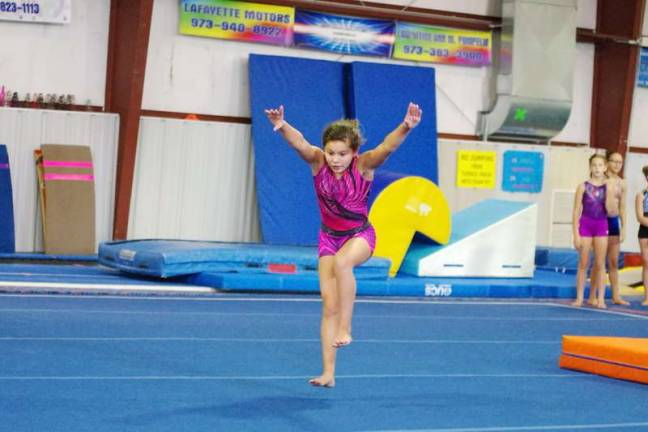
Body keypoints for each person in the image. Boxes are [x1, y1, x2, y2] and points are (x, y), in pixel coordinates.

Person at [264, 103, 422, 387]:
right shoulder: (317, 163)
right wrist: (281, 125)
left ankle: (347, 327)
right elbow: (300, 143)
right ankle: (328, 373)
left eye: (342, 154)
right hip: (328, 237)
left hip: (360, 235)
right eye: (331, 153)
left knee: (343, 263)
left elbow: (387, 147)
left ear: (354, 153)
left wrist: (406, 126)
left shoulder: (364, 166)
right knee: (328, 305)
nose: (335, 159)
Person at [588, 151, 629, 306]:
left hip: (613, 221)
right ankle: (593, 295)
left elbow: (623, 207)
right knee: (598, 261)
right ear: (607, 163)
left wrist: (624, 227)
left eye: (620, 162)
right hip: (599, 220)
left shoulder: (622, 183)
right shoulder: (600, 180)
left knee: (612, 261)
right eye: (614, 161)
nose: (617, 165)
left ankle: (616, 296)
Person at [572, 154, 609, 308]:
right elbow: (575, 211)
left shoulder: (609, 186)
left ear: (605, 167)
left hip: (601, 224)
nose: (597, 168)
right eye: (594, 165)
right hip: (585, 224)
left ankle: (600, 298)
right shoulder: (582, 186)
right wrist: (576, 234)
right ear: (590, 167)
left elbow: (613, 209)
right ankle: (580, 298)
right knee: (583, 263)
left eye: (600, 165)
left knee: (600, 263)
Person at [635, 165, 648, 307]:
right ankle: (647, 296)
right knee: (647, 263)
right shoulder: (641, 195)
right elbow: (640, 217)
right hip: (645, 229)